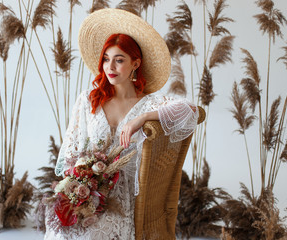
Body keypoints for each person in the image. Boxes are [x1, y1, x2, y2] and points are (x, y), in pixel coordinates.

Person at [43, 8, 200, 240]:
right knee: (60, 226)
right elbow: (71, 152)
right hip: (88, 189)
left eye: (119, 60)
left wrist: (143, 118)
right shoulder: (89, 100)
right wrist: (79, 185)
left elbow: (192, 110)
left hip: (124, 196)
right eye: (106, 59)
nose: (110, 67)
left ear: (135, 63)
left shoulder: (148, 104)